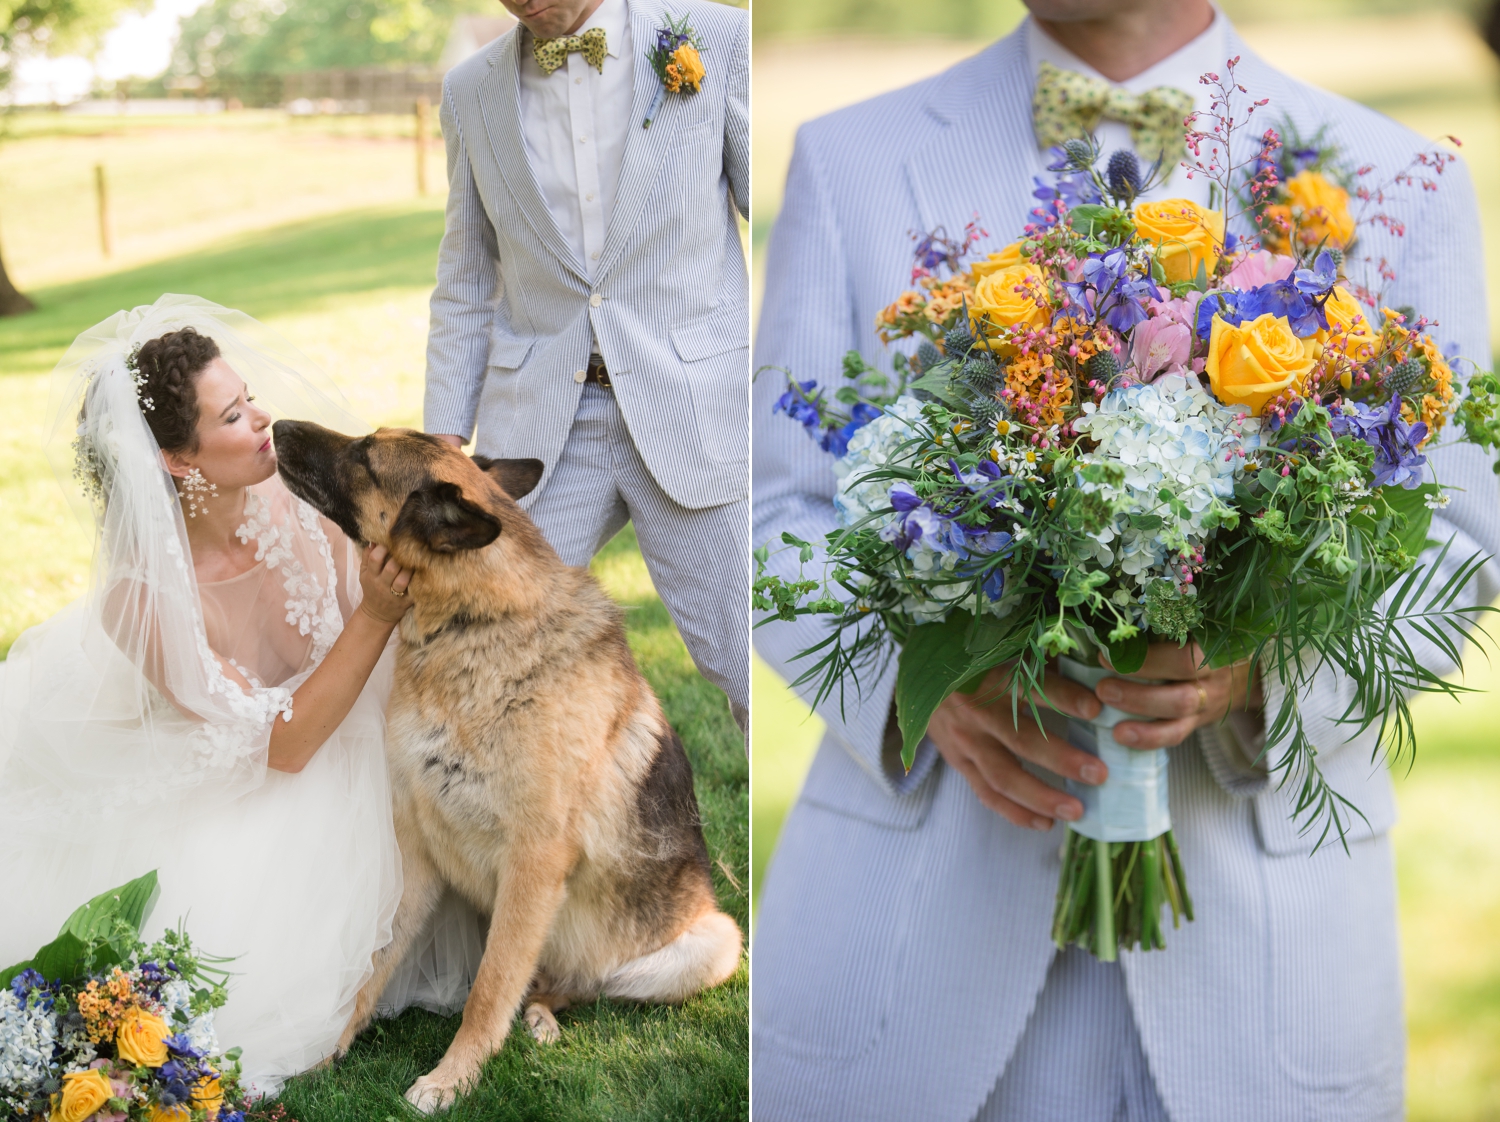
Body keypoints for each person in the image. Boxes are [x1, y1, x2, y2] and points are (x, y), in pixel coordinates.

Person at [750, 2, 1500, 1119]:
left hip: (1262, 973)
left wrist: (1255, 678)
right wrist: (922, 696)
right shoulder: (849, 159)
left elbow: (1462, 540)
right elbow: (769, 506)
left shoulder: (1399, 181)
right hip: (915, 956)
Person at [0, 296, 471, 1095]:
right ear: (181, 462)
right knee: (253, 977)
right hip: (274, 774)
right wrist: (377, 613)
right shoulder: (142, 600)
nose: (264, 422)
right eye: (233, 416)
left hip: (376, 717)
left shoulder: (297, 489)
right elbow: (282, 749)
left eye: (250, 398)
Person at [423, 0, 751, 732]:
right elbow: (467, 277)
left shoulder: (720, 39)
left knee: (751, 656)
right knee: (494, 651)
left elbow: (783, 216)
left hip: (693, 401)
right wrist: (443, 441)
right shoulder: (469, 89)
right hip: (541, 424)